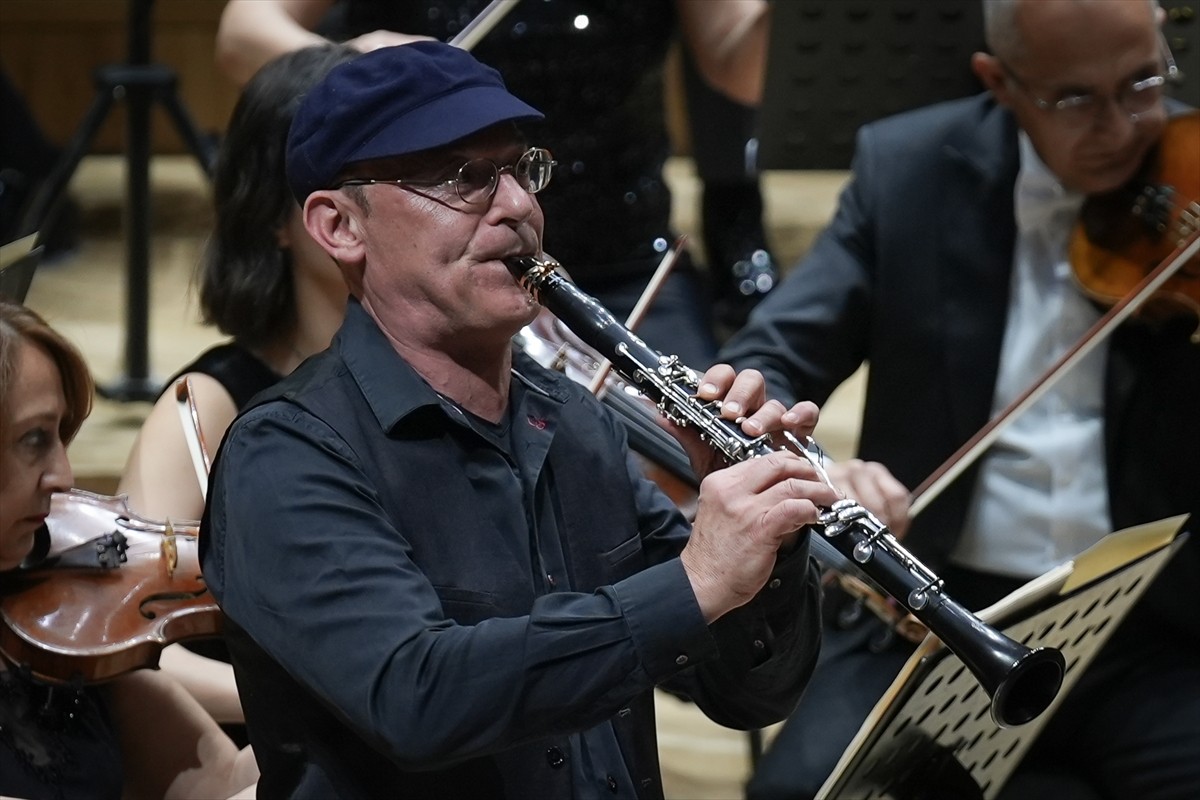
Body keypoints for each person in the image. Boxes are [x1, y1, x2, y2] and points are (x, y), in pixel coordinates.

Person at [199, 41, 843, 797]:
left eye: (519, 169)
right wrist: (699, 580)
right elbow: (420, 699)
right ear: (340, 225)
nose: (517, 206)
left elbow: (746, 695)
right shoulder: (286, 458)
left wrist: (769, 546)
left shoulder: (575, 425)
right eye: (463, 177)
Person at [720, 1, 1200, 798]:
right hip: (933, 616)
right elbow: (769, 363)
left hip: (1150, 619)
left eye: (1143, 82)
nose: (1122, 125)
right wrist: (817, 463)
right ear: (999, 81)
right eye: (1076, 98)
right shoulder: (910, 168)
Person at [212, 0, 773, 369]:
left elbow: (739, 72)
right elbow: (241, 34)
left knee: (692, 461)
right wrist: (357, 68)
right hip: (428, 268)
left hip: (620, 258)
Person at [114, 43, 360, 733]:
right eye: (353, 177)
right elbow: (131, 640)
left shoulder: (447, 378)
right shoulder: (205, 407)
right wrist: (343, 706)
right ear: (279, 218)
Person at [0, 299, 259, 800]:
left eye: (60, 438)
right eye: (34, 439)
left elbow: (220, 778)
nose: (64, 477)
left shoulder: (62, 634)